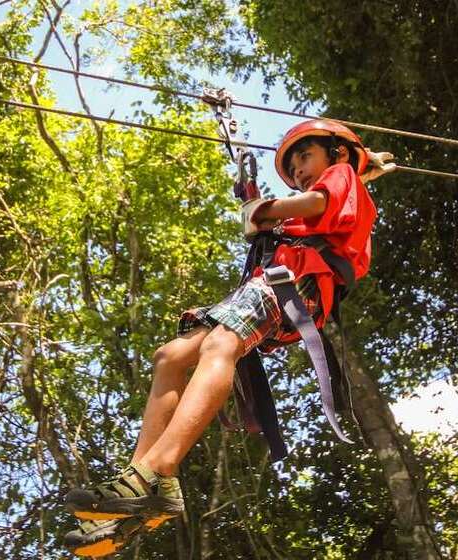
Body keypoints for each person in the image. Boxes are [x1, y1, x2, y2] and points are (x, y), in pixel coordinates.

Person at [63, 119, 394, 557]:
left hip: (297, 281)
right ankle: (140, 478)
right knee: (171, 356)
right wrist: (258, 208)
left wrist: (264, 211)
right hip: (276, 281)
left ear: (337, 154)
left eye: (305, 158)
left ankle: (159, 470)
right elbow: (305, 211)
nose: (298, 171)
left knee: (222, 345)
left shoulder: (341, 175)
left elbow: (316, 203)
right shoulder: (327, 195)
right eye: (292, 168)